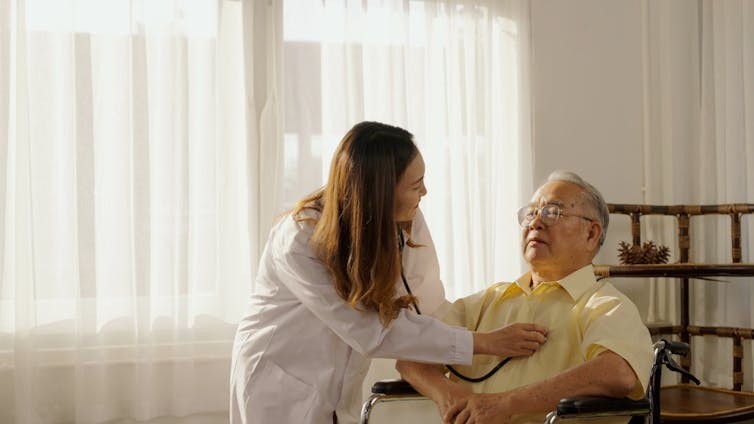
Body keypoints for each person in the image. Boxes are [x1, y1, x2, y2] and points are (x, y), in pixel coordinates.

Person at [229, 121, 548, 424]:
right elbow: (368, 331)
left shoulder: (405, 218)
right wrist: (486, 343)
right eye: (415, 184)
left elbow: (429, 305)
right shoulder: (299, 239)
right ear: (378, 193)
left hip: (337, 384)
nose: (425, 192)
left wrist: (453, 376)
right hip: (281, 382)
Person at [396, 171, 653, 424]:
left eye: (552, 212)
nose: (535, 223)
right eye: (530, 213)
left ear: (591, 233)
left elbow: (617, 372)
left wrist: (504, 404)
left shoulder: (605, 305)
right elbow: (411, 357)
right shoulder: (487, 301)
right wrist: (451, 396)